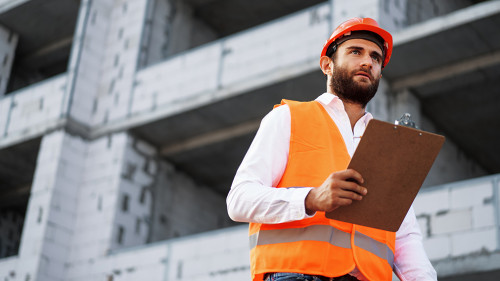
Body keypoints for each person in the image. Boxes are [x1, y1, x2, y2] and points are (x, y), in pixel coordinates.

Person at [226, 17, 438, 281]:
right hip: (297, 276)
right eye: (355, 51)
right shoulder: (288, 117)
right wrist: (311, 198)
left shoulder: (386, 144)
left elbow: (405, 236)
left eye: (375, 57)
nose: (367, 62)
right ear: (327, 64)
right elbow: (239, 200)